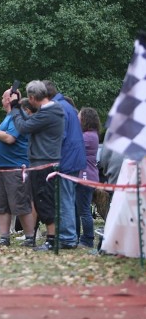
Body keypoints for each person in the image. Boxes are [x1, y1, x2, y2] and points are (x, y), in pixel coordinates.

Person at [11, 80, 65, 252]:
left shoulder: (49, 113)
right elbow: (31, 122)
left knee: (45, 201)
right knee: (42, 201)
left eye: (29, 98)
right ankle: (50, 239)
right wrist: (19, 108)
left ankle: (52, 240)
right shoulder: (48, 112)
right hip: (41, 162)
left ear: (33, 97)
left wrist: (14, 109)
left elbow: (23, 127)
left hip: (44, 163)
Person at [0, 88, 35, 247]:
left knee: (20, 205)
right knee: (1, 205)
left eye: (4, 96)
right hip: (3, 168)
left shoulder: (18, 116)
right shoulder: (9, 117)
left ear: (12, 98)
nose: (1, 99)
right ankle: (4, 237)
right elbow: (2, 136)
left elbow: (10, 138)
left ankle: (30, 237)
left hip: (16, 168)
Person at [44, 80, 86, 249]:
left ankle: (67, 238)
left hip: (66, 160)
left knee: (64, 200)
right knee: (67, 199)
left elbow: (58, 136)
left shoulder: (58, 108)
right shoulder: (66, 106)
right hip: (73, 158)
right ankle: (68, 235)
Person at [75, 107, 101, 248]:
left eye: (79, 117)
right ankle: (81, 237)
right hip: (86, 176)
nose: (77, 119)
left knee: (84, 210)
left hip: (85, 176)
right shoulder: (91, 135)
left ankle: (88, 238)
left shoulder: (88, 137)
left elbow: (72, 146)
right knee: (81, 209)